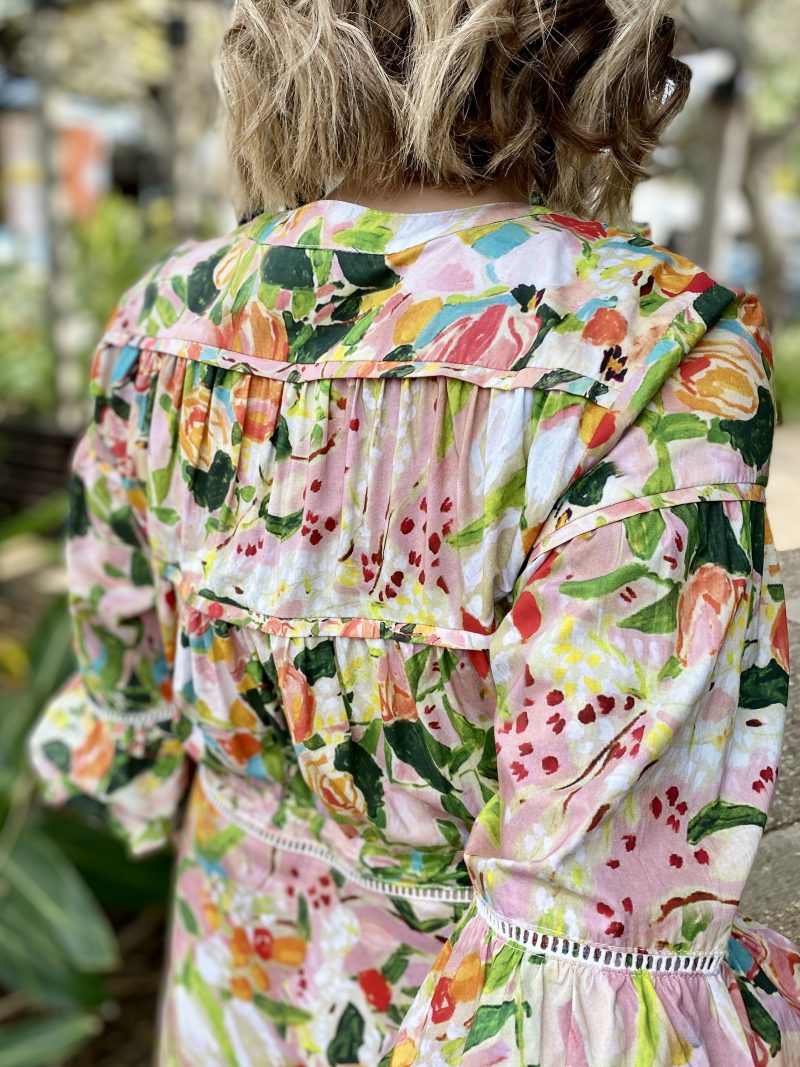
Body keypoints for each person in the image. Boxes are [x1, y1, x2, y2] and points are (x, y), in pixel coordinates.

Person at [28, 1, 800, 1064]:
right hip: (471, 1013)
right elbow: (607, 873)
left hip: (231, 977)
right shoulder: (645, 344)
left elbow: (126, 665)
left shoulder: (165, 318)